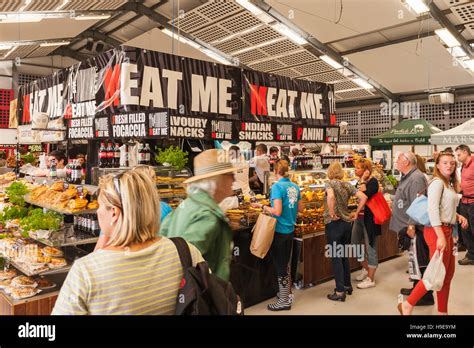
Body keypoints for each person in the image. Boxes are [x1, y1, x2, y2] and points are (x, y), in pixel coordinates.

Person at [52, 170, 204, 314]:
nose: (97, 212)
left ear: (114, 213)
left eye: (99, 206)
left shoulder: (86, 272)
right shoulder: (187, 252)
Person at [398, 152, 468, 315]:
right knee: (435, 273)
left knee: (447, 274)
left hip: (447, 230)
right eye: (445, 163)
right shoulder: (437, 183)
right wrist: (441, 236)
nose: (449, 165)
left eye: (452, 163)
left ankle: (442, 312)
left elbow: (442, 207)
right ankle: (408, 304)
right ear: (437, 165)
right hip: (437, 232)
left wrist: (457, 216)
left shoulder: (448, 183)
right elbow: (432, 209)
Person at [160, 149, 237, 281]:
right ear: (217, 180)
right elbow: (184, 260)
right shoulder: (207, 216)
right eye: (229, 174)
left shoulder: (187, 205)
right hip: (204, 294)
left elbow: (161, 236)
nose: (234, 179)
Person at [252, 160, 303, 311]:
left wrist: (262, 206)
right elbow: (300, 208)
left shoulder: (277, 187)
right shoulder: (294, 187)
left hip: (280, 231)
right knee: (285, 264)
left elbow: (277, 211)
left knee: (280, 266)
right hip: (290, 230)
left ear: (275, 172)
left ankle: (284, 301)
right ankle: (284, 294)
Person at [390, 152, 434, 306]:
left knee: (420, 260)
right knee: (414, 260)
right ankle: (417, 288)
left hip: (415, 228)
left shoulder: (416, 178)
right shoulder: (408, 177)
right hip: (408, 226)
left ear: (406, 162)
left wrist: (411, 224)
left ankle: (426, 295)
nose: (396, 163)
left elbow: (419, 203)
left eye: (398, 160)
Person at [325, 161, 367, 301]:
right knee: (343, 256)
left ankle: (339, 291)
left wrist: (331, 213)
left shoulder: (330, 183)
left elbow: (330, 197)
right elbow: (363, 197)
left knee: (336, 257)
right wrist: (356, 212)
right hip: (346, 224)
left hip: (334, 224)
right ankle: (347, 286)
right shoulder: (346, 184)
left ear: (330, 172)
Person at [351, 158, 381, 289]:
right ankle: (365, 268)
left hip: (370, 220)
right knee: (354, 244)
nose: (355, 170)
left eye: (358, 168)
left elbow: (365, 195)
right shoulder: (359, 182)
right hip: (359, 219)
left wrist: (363, 180)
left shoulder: (373, 182)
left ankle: (371, 278)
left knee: (371, 248)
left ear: (366, 170)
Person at [455, 144, 474, 265]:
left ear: (466, 152)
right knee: (465, 230)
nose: (457, 157)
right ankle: (471, 255)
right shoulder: (463, 166)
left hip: (473, 202)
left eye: (459, 154)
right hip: (464, 201)